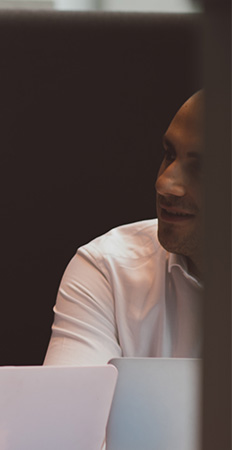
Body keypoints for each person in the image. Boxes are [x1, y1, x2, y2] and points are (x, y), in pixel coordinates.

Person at [44, 91, 204, 366]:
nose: (164, 183)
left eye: (202, 167)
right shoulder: (109, 268)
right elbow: (69, 407)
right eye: (169, 154)